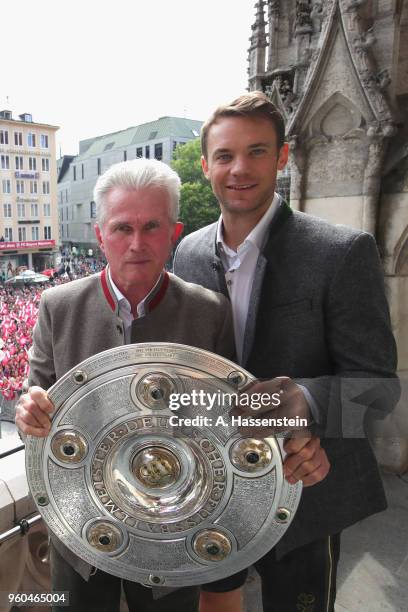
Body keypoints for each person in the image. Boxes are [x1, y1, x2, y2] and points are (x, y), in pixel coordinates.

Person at [16, 158, 328, 612]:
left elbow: (230, 415)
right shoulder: (57, 305)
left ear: (174, 232)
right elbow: (34, 397)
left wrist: (293, 438)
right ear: (100, 233)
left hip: (173, 528)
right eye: (122, 228)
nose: (137, 243)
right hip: (79, 526)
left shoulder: (209, 310)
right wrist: (30, 409)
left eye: (152, 226)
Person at [173, 92, 398, 612]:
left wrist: (307, 403)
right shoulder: (187, 253)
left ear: (283, 156)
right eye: (225, 156)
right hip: (217, 487)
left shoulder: (342, 251)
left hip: (305, 493)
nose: (239, 169)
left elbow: (380, 386)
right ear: (206, 165)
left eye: (257, 152)